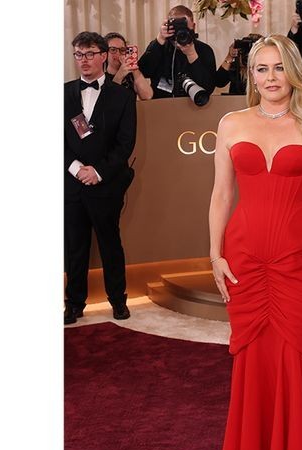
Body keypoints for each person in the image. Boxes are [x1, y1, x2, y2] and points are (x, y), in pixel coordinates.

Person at [169, 34, 302, 450]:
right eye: (261, 69)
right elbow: (221, 194)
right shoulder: (231, 122)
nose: (270, 78)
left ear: (294, 72)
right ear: (251, 75)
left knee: (292, 356)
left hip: (296, 255)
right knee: (252, 361)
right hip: (243, 255)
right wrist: (214, 253)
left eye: (278, 68)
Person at [64, 32, 136, 324]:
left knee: (110, 245)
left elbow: (125, 143)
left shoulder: (122, 96)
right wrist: (76, 168)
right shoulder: (63, 92)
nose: (84, 60)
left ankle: (118, 300)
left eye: (90, 54)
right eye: (79, 55)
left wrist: (97, 172)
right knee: (75, 247)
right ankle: (74, 304)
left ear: (104, 55)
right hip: (71, 184)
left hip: (106, 185)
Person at [137, 5, 217, 99]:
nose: (180, 32)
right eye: (176, 28)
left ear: (193, 26)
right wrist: (159, 39)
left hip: (194, 108)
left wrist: (192, 55)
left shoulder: (204, 50)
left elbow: (208, 87)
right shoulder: (159, 46)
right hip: (161, 106)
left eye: (184, 27)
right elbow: (144, 72)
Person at [103, 32, 153, 101]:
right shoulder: (101, 78)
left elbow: (147, 96)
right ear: (105, 53)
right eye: (113, 50)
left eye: (122, 50)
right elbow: (108, 100)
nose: (118, 53)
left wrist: (134, 67)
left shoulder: (131, 77)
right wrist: (120, 74)